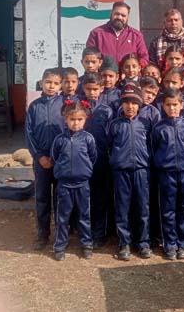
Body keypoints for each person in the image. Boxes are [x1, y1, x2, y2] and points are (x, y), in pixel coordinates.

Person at [108, 83, 156, 261]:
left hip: (141, 170)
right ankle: (124, 242)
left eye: (134, 103)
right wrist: (117, 161)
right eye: (126, 102)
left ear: (140, 105)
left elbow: (152, 145)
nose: (130, 106)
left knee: (143, 207)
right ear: (121, 104)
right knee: (122, 207)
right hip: (121, 171)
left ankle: (143, 242)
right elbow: (109, 146)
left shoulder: (145, 123)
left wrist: (146, 163)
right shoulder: (114, 125)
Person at [152, 88, 184, 260]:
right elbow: (154, 149)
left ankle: (183, 243)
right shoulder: (158, 128)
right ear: (163, 106)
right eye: (168, 105)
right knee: (168, 208)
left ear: (181, 105)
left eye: (175, 104)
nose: (172, 108)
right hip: (166, 173)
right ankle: (170, 244)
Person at [51, 101, 97, 261]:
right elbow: (54, 157)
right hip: (64, 185)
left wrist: (84, 170)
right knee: (62, 216)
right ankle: (60, 246)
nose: (75, 123)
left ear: (85, 120)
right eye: (72, 119)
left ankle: (86, 244)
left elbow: (92, 157)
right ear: (65, 119)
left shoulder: (88, 139)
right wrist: (63, 171)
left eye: (79, 120)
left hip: (82, 184)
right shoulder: (59, 140)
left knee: (84, 215)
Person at [25, 68, 65, 250]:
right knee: (42, 197)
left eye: (56, 83)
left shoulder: (64, 104)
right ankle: (43, 234)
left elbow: (70, 130)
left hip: (60, 160)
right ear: (41, 83)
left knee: (60, 197)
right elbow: (29, 134)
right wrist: (39, 156)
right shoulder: (34, 106)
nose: (51, 86)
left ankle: (61, 234)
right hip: (41, 160)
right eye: (48, 82)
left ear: (60, 86)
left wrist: (61, 156)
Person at [81, 73, 114, 245]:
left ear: (101, 89)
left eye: (95, 89)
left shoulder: (107, 110)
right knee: (85, 197)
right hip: (82, 160)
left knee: (101, 196)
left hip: (101, 159)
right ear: (83, 88)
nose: (92, 92)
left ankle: (100, 233)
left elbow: (111, 136)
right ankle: (85, 232)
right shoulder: (79, 108)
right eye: (89, 89)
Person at [86, 1, 149, 67]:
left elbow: (144, 58)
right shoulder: (96, 33)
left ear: (127, 17)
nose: (119, 17)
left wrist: (133, 68)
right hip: (104, 73)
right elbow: (89, 57)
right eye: (117, 14)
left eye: (123, 15)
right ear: (111, 14)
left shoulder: (136, 36)